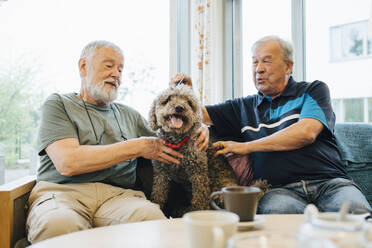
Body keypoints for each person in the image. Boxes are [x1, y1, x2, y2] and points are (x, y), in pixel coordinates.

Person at [26, 40, 208, 244]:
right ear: (83, 66)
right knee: (59, 225)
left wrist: (198, 127)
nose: (116, 74)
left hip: (119, 197)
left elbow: (172, 134)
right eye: (109, 66)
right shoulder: (59, 104)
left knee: (152, 221)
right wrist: (138, 146)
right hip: (63, 194)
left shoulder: (129, 115)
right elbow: (68, 162)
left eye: (120, 69)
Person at [199, 35, 371, 214]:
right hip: (279, 190)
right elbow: (194, 113)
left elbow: (307, 133)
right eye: (254, 62)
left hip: (330, 183)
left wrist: (247, 146)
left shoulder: (312, 91)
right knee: (281, 219)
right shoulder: (242, 107)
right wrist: (197, 119)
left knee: (357, 213)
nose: (259, 69)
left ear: (288, 66)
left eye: (266, 61)